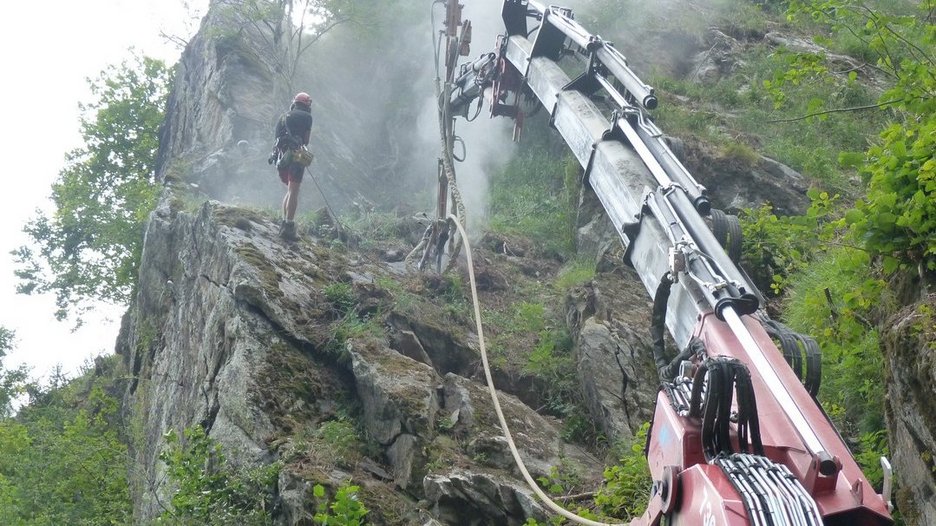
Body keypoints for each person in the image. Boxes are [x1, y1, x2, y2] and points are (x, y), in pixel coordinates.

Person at [273, 92, 314, 241]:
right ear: (306, 104)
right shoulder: (307, 117)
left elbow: (277, 138)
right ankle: (289, 227)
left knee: (289, 191)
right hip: (296, 156)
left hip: (282, 158)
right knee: (294, 191)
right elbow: (306, 140)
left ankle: (284, 222)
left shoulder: (283, 116)